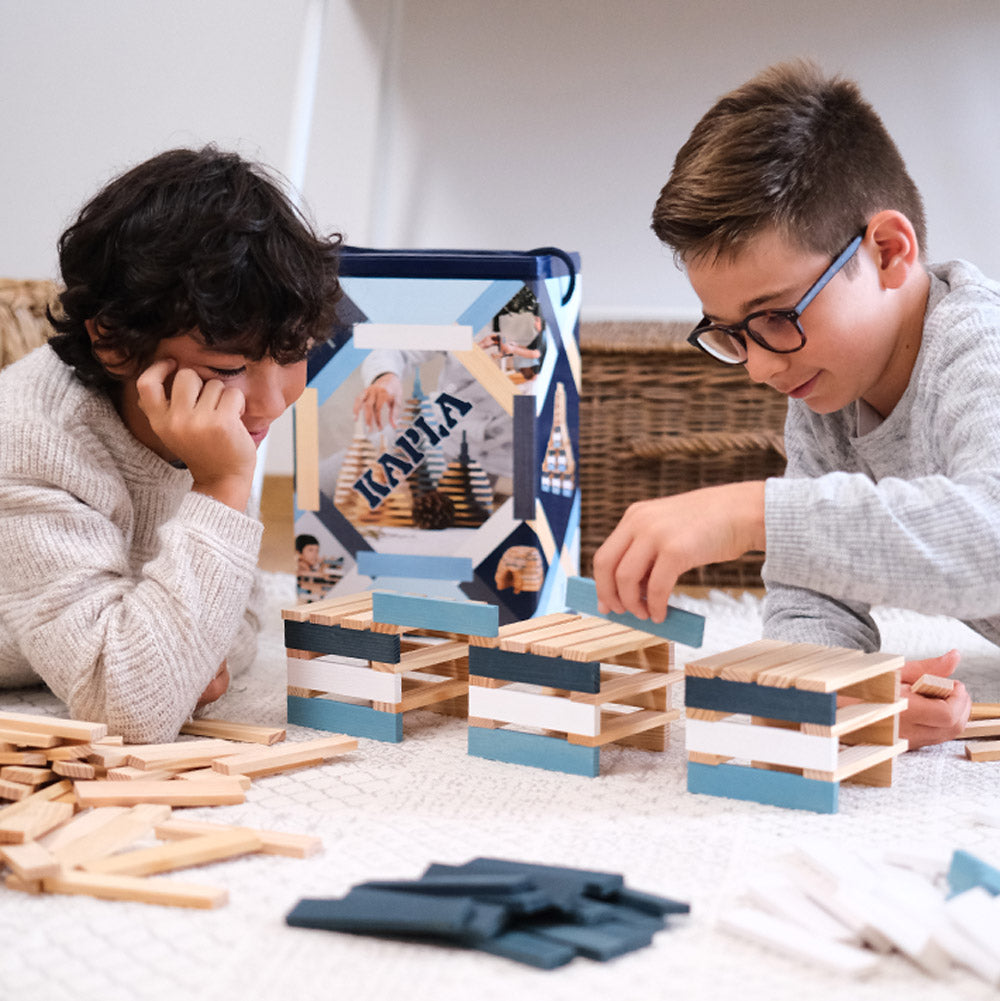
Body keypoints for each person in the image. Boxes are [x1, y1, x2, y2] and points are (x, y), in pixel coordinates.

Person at [592, 60, 988, 750]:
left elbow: (989, 538)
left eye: (776, 315)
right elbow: (813, 589)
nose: (760, 366)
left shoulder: (979, 351)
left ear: (889, 251)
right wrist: (832, 685)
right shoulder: (829, 382)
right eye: (732, 334)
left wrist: (751, 512)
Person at [0, 146, 342, 742]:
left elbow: (241, 622)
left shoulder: (203, 421)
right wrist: (221, 486)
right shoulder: (30, 437)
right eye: (231, 367)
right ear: (112, 341)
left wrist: (177, 656)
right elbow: (129, 709)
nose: (269, 402)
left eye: (292, 355)